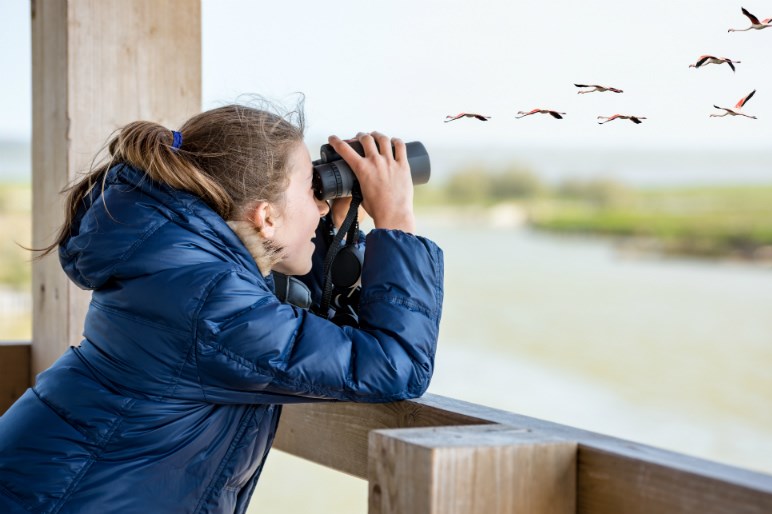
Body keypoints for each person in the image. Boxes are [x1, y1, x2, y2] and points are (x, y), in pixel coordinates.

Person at [0, 102, 444, 513]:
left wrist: (338, 227)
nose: (323, 202)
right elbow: (395, 365)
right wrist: (398, 220)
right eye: (313, 190)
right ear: (265, 216)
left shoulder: (181, 268)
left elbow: (312, 336)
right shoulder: (209, 303)